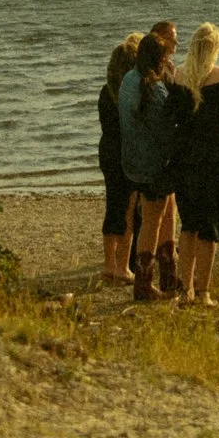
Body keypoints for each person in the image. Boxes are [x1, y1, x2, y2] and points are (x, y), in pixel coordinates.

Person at [167, 22, 219, 307]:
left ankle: (185, 289)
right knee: (209, 227)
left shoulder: (179, 76)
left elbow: (173, 119)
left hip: (185, 158)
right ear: (214, 49)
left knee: (189, 225)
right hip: (213, 157)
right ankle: (203, 291)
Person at [118, 20, 179, 301]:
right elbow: (167, 131)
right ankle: (144, 284)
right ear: (160, 58)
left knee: (165, 212)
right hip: (154, 165)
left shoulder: (128, 80)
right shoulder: (155, 90)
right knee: (153, 220)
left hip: (132, 161)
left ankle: (169, 274)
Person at [98, 31, 142, 282]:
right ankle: (122, 265)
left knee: (112, 205)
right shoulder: (129, 92)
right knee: (128, 208)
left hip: (107, 149)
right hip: (126, 151)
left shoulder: (106, 92)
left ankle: (108, 263)